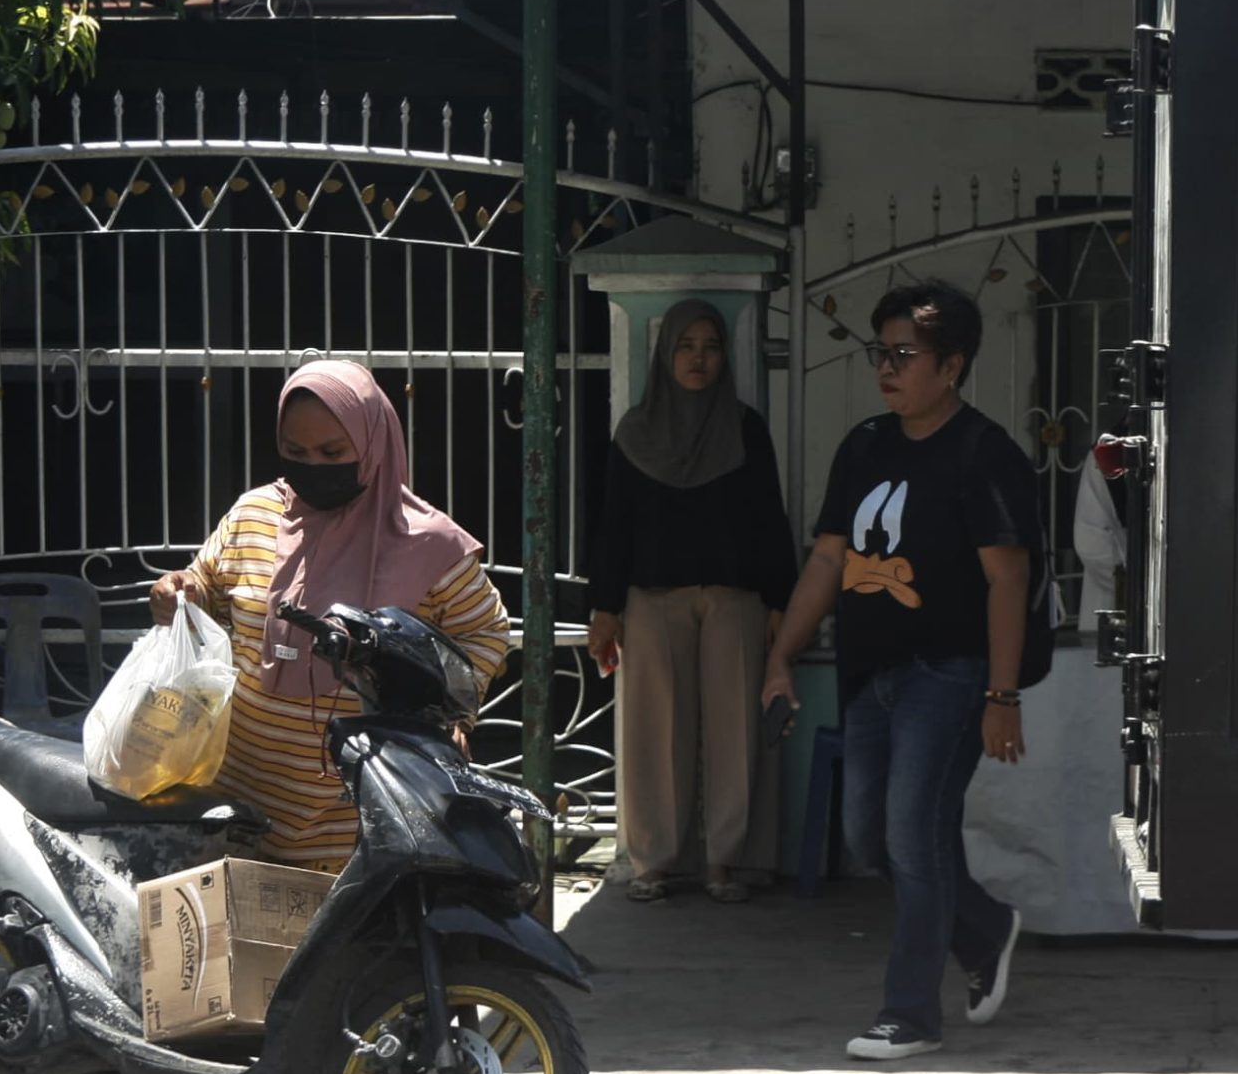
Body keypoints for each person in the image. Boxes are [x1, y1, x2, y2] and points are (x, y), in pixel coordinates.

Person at [761, 281, 1035, 1060]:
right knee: (871, 837)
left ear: (951, 367)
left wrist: (1002, 694)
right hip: (869, 668)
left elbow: (1007, 581)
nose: (886, 368)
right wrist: (781, 657)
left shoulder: (983, 455)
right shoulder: (865, 446)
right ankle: (984, 928)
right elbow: (827, 558)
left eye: (903, 355)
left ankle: (909, 1014)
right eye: (879, 353)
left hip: (949, 671)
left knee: (914, 832)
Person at [151, 361, 512, 871]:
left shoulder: (431, 545)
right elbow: (207, 586)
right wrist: (180, 591)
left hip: (357, 808)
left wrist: (452, 712)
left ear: (371, 444)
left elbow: (485, 632)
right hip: (240, 793)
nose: (313, 467)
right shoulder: (254, 514)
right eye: (296, 452)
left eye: (333, 453)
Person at [587, 299, 798, 904]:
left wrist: (780, 600)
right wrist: (606, 606)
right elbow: (615, 525)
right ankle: (654, 860)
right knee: (655, 730)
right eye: (686, 346)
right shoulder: (636, 431)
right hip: (652, 599)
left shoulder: (744, 428)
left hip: (735, 598)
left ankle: (724, 862)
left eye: (710, 346)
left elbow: (767, 519)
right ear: (665, 353)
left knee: (736, 727)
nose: (698, 358)